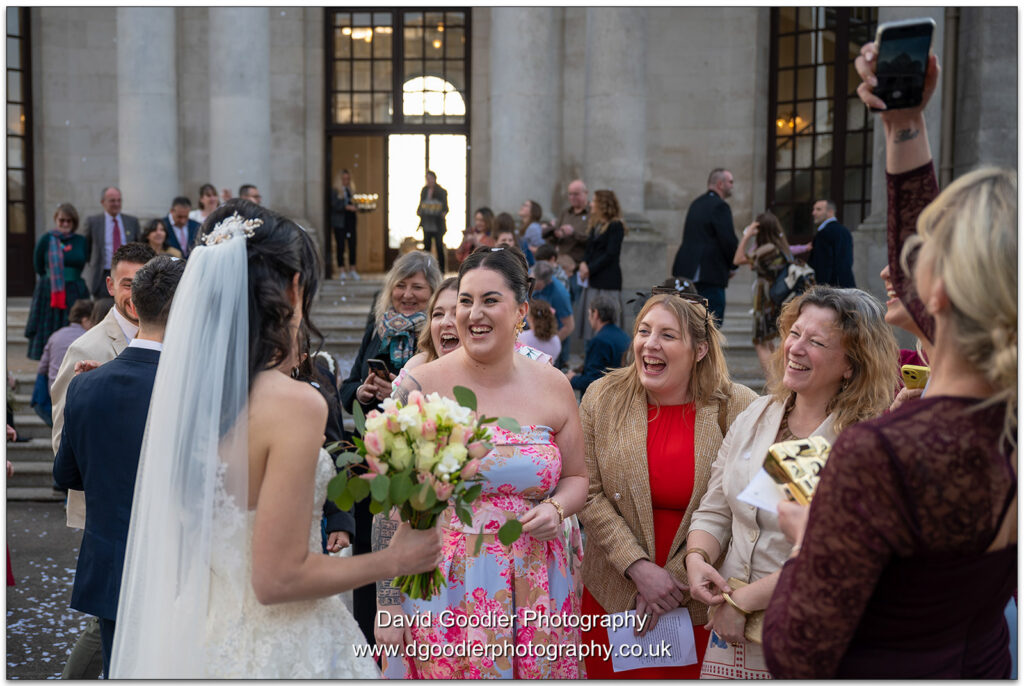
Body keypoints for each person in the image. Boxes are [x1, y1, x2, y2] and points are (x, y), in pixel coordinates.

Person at [763, 47, 1018, 679]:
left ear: (939, 291)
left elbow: (795, 651)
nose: (901, 259)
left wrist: (807, 540)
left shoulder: (881, 453)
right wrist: (904, 123)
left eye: (925, 249)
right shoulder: (1007, 421)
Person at [108, 199, 442, 678]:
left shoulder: (191, 396)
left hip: (202, 635)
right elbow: (278, 579)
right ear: (293, 287)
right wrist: (393, 560)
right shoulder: (293, 403)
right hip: (283, 649)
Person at [376, 245, 588, 678]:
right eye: (466, 301)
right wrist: (387, 605)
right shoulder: (419, 385)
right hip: (445, 582)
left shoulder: (554, 385)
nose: (474, 314)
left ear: (521, 310)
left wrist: (556, 507)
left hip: (536, 579)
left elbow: (577, 477)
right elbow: (388, 505)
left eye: (490, 300)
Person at [685, 286, 898, 678]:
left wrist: (743, 602)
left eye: (816, 341)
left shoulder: (864, 442)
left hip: (806, 637)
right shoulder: (754, 416)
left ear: (851, 364)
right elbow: (715, 510)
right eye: (794, 333)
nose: (795, 348)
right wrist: (696, 558)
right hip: (727, 636)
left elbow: (835, 555)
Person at [578, 290, 756, 678]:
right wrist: (638, 568)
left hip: (697, 601)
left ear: (700, 350)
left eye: (668, 335)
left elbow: (741, 502)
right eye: (644, 331)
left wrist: (674, 578)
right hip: (614, 590)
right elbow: (588, 491)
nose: (650, 344)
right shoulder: (602, 397)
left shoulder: (738, 406)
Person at [53, 255, 186, 678]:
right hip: (178, 569)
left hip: (110, 564)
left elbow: (65, 475)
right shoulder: (189, 390)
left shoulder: (85, 384)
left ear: (136, 304)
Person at [339, 249, 442, 644]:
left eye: (417, 287)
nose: (407, 294)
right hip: (373, 463)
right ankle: (370, 650)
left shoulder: (440, 334)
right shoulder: (379, 326)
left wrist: (398, 390)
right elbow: (348, 387)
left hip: (417, 467)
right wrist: (363, 392)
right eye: (401, 285)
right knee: (369, 559)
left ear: (433, 293)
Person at [671, 169, 738, 326]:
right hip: (710, 275)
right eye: (730, 182)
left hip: (687, 274)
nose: (732, 186)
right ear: (720, 184)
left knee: (689, 324)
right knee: (711, 325)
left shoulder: (696, 203)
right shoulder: (720, 206)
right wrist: (733, 265)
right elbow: (728, 240)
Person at [25, 203, 91, 360]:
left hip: (75, 291)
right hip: (50, 292)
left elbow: (86, 260)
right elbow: (38, 265)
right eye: (62, 220)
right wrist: (55, 281)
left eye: (69, 221)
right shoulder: (46, 239)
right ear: (56, 220)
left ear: (74, 222)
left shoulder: (81, 241)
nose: (65, 224)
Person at [733, 211, 795, 373]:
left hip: (765, 299)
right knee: (769, 341)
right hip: (777, 297)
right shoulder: (781, 247)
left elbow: (737, 259)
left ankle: (773, 382)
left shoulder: (766, 249)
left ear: (760, 229)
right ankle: (779, 380)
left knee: (760, 341)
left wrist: (747, 235)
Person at [31, 299, 94, 426]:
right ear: (85, 320)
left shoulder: (55, 335)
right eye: (93, 320)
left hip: (54, 393)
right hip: (80, 396)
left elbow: (42, 368)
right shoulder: (90, 338)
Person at [576, 189, 625, 345]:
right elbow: (589, 249)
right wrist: (583, 263)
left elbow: (610, 254)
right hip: (592, 281)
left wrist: (589, 269)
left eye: (594, 201)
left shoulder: (616, 226)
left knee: (605, 322)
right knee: (590, 324)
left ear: (603, 204)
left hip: (607, 282)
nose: (591, 204)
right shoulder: (596, 225)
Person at [83, 186, 141, 298]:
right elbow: (87, 249)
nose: (116, 204)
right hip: (102, 275)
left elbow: (138, 247)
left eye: (119, 200)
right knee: (102, 307)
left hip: (128, 274)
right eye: (112, 201)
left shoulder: (132, 222)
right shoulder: (93, 222)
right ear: (103, 202)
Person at [567, 293, 630, 395]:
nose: (588, 318)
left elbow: (592, 381)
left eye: (589, 314)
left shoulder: (600, 341)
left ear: (595, 313)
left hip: (604, 398)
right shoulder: (624, 336)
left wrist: (572, 378)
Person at [532, 261, 574, 366]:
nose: (530, 283)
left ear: (547, 282)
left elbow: (569, 326)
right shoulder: (529, 276)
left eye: (535, 282)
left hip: (549, 340)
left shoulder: (560, 295)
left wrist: (550, 345)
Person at [806, 199, 856, 288]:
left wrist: (821, 288)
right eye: (813, 209)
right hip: (847, 285)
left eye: (818, 209)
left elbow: (823, 266)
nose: (813, 213)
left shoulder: (824, 233)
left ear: (830, 212)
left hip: (831, 288)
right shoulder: (845, 231)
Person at [547, 179, 590, 277]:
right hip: (561, 265)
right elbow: (554, 238)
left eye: (576, 194)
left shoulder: (592, 214)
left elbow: (593, 240)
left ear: (586, 193)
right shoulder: (565, 212)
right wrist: (556, 233)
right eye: (570, 194)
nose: (572, 197)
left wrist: (573, 233)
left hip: (579, 268)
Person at [417, 171, 448, 272]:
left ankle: (441, 270)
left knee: (439, 246)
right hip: (427, 222)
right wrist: (419, 211)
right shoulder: (424, 190)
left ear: (434, 179)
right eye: (427, 179)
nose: (429, 181)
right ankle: (426, 269)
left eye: (430, 178)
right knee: (427, 247)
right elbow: (421, 204)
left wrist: (442, 212)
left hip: (437, 224)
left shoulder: (441, 191)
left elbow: (446, 208)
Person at [331, 169, 359, 280]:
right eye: (344, 179)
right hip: (340, 223)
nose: (346, 181)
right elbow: (334, 205)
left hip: (350, 222)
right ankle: (342, 270)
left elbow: (355, 203)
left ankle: (352, 269)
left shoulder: (351, 191)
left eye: (348, 179)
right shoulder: (335, 191)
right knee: (341, 246)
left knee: (352, 245)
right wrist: (346, 207)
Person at [517, 298, 561, 363]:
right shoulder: (556, 340)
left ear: (532, 318)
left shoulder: (522, 337)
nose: (527, 318)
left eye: (528, 315)